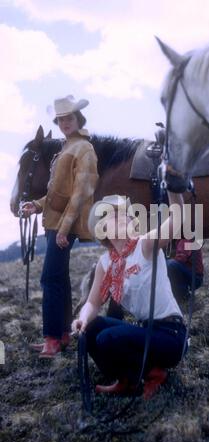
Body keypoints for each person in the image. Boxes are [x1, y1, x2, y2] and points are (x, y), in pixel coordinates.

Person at [72, 193, 187, 399]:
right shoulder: (105, 263)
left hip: (171, 335)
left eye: (124, 212)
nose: (123, 216)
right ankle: (128, 380)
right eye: (113, 214)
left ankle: (154, 373)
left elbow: (177, 219)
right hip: (146, 331)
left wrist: (174, 189)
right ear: (102, 228)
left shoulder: (145, 245)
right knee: (90, 329)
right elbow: (92, 302)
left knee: (108, 338)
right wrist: (82, 319)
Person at [22, 95, 99, 358]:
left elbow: (80, 194)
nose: (65, 122)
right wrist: (37, 205)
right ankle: (64, 334)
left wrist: (65, 229)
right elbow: (58, 191)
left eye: (69, 118)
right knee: (60, 279)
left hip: (64, 225)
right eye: (61, 119)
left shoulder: (84, 149)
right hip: (55, 222)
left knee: (50, 279)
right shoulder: (66, 148)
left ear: (79, 119)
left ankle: (52, 340)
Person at [166, 238, 204, 303]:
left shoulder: (185, 238)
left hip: (195, 278)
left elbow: (181, 258)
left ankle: (184, 296)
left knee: (170, 265)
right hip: (189, 273)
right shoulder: (173, 241)